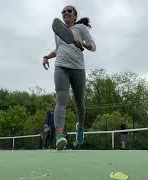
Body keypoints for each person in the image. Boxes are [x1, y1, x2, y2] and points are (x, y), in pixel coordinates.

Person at [42, 5, 96, 150]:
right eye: (64, 12)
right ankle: (60, 137)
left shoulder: (81, 29)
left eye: (69, 11)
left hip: (78, 68)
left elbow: (93, 46)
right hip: (61, 67)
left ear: (74, 16)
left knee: (80, 104)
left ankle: (80, 127)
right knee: (61, 101)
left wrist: (82, 44)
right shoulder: (58, 31)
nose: (66, 13)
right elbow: (58, 50)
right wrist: (47, 56)